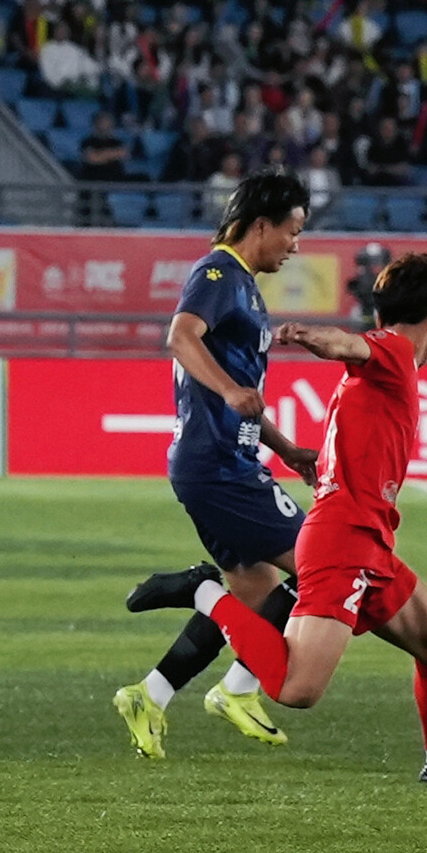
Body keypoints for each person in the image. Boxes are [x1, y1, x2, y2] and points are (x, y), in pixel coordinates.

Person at [124, 253, 427, 786]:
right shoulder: (394, 351)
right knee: (297, 689)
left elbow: (354, 382)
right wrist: (311, 336)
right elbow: (348, 344)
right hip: (342, 543)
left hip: (368, 540)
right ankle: (202, 591)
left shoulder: (373, 378)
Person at [113, 170, 318, 759]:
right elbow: (181, 336)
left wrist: (285, 448)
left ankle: (149, 695)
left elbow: (242, 393)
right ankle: (232, 673)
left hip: (222, 462)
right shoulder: (218, 273)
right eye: (292, 231)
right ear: (262, 225)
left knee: (255, 599)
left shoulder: (243, 286)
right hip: (220, 467)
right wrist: (229, 391)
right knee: (324, 567)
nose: (296, 245)